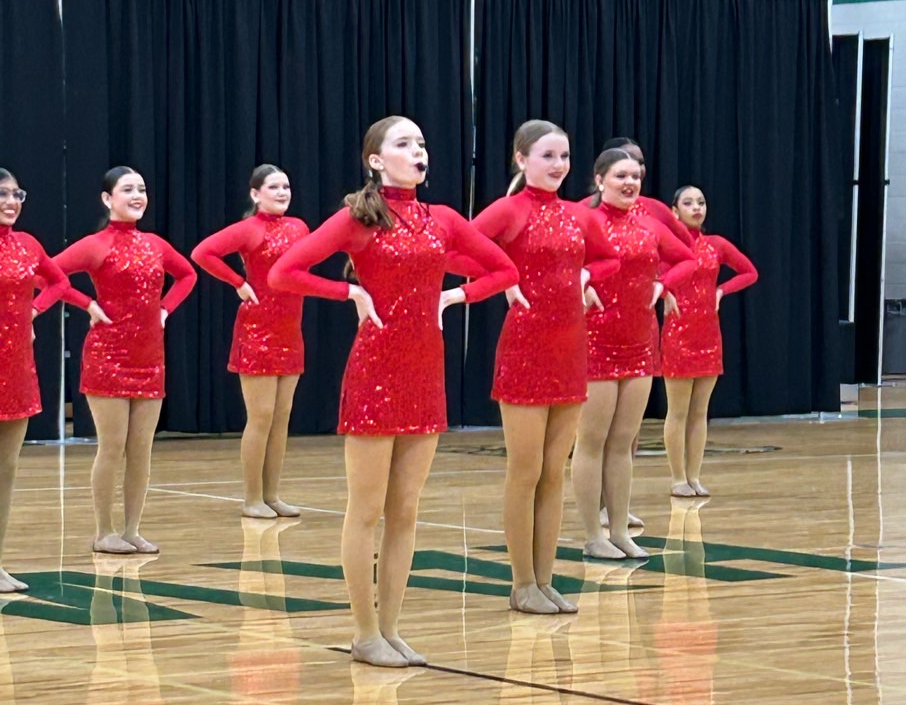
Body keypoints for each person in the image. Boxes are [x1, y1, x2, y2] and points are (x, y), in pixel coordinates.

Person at [270, 115, 519, 667]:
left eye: (422, 142)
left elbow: (504, 269)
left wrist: (457, 298)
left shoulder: (445, 219)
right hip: (375, 371)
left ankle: (391, 628)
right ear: (376, 161)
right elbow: (283, 273)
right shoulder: (357, 219)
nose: (418, 150)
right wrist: (348, 292)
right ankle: (363, 633)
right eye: (404, 143)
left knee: (405, 511)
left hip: (425, 372)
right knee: (365, 510)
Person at [472, 119, 619, 615]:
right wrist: (503, 280)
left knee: (554, 471)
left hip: (570, 348)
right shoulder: (508, 211)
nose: (558, 165)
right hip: (525, 348)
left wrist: (583, 273)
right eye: (547, 156)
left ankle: (546, 578)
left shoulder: (580, 216)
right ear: (521, 159)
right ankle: (521, 582)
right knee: (526, 469)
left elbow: (609, 261)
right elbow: (456, 251)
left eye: (564, 156)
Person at [55, 167, 197, 553]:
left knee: (141, 449)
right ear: (107, 199)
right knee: (112, 446)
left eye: (142, 189)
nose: (137, 196)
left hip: (150, 355)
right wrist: (86, 303)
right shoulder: (95, 244)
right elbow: (47, 274)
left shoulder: (155, 244)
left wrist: (165, 309)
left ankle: (133, 529)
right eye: (128, 189)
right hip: (108, 355)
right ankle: (104, 532)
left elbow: (187, 276)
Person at [571, 149, 696, 559]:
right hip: (593, 342)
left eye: (636, 177)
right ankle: (593, 535)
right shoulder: (584, 220)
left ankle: (621, 530)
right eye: (621, 175)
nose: (629, 183)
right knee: (591, 441)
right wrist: (581, 281)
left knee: (623, 442)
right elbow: (554, 260)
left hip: (640, 341)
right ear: (599, 179)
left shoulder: (649, 225)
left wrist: (663, 286)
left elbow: (688, 259)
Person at [0, 169, 109, 592]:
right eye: (3, 194)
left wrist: (31, 311)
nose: (12, 201)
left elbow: (60, 281)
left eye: (17, 194)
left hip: (15, 367)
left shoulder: (27, 245)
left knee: (6, 470)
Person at [192, 165, 308, 518]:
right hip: (257, 331)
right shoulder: (249, 230)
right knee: (260, 416)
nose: (282, 192)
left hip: (290, 329)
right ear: (256, 194)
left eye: (286, 186)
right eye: (274, 187)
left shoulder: (299, 227)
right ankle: (252, 498)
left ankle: (272, 494)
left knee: (282, 416)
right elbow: (203, 253)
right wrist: (237, 282)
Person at [661, 184, 757, 497]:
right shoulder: (667, 245)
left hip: (708, 332)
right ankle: (677, 478)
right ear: (674, 211)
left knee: (700, 411)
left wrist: (720, 290)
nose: (696, 207)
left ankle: (695, 476)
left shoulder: (715, 244)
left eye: (701, 202)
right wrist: (661, 290)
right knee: (677, 411)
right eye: (688, 203)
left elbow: (749, 272)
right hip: (677, 332)